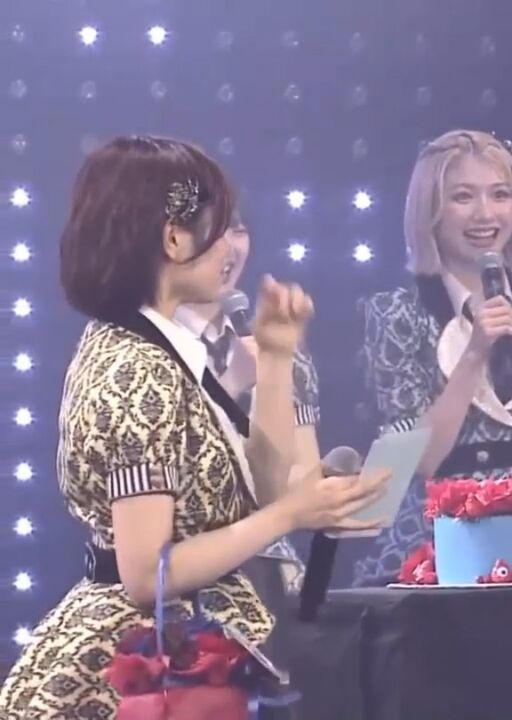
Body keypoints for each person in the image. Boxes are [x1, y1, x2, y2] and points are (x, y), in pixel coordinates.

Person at [0, 136, 387, 718]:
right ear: (174, 238)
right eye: (218, 227)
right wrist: (289, 516)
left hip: (201, 642)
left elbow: (262, 490)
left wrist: (276, 360)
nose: (233, 247)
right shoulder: (137, 369)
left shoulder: (164, 349)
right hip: (151, 663)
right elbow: (146, 576)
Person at [351, 129, 512, 586]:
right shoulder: (396, 314)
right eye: (463, 197)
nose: (485, 213)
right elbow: (416, 460)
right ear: (430, 212)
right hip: (442, 536)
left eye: (500, 195)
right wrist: (475, 353)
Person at [174, 207, 323, 598]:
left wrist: (331, 493)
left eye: (238, 231)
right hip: (183, 572)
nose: (228, 247)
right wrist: (229, 385)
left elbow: (297, 476)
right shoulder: (147, 350)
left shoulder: (279, 343)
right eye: (213, 231)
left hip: (270, 571)